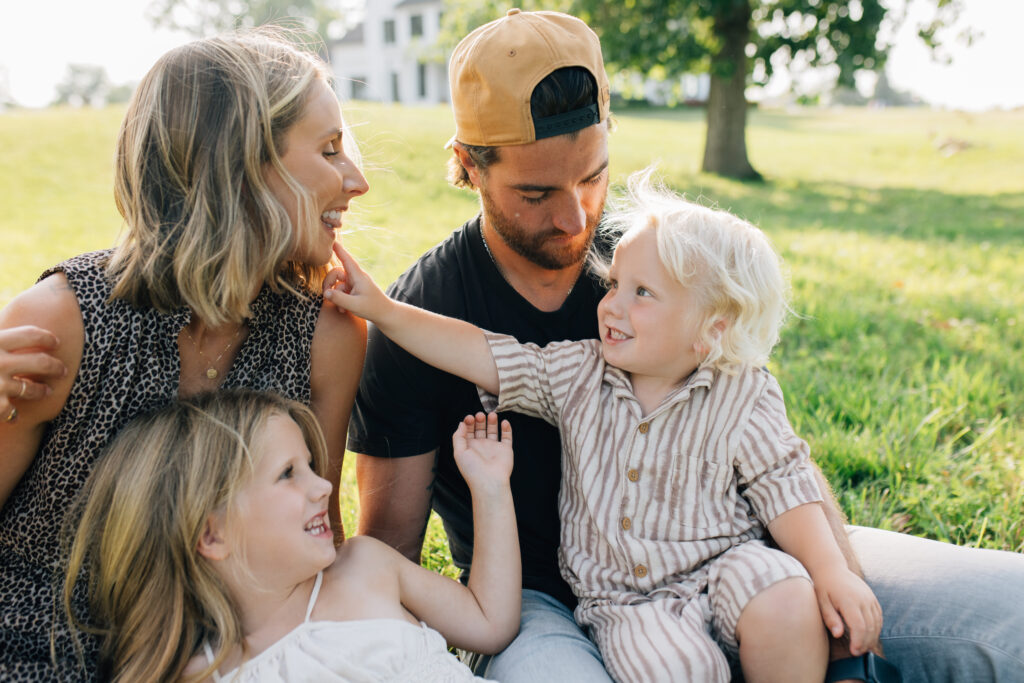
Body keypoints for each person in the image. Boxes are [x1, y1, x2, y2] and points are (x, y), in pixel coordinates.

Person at [346, 8, 1024, 683]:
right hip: (543, 605)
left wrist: (833, 581)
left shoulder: (661, 258)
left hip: (743, 564)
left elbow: (768, 446)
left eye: (592, 175)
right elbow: (388, 560)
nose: (576, 217)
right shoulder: (422, 317)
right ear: (468, 164)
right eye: (536, 192)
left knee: (1012, 617)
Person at [327, 169, 884, 682]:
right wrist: (384, 310)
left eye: (641, 293)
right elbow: (487, 354)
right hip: (627, 601)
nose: (611, 305)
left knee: (786, 598)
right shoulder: (578, 372)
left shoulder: (744, 391)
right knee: (678, 669)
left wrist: (831, 573)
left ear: (711, 330)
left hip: (729, 563)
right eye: (615, 284)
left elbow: (785, 484)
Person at [0, 29, 368, 679]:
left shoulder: (327, 333)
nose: (357, 180)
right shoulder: (63, 322)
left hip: (213, 663)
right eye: (330, 150)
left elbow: (317, 550)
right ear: (242, 168)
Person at [61, 389, 520, 682]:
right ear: (212, 535)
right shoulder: (206, 675)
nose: (323, 487)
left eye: (310, 467)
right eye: (287, 474)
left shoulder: (365, 566)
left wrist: (491, 487)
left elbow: (489, 623)